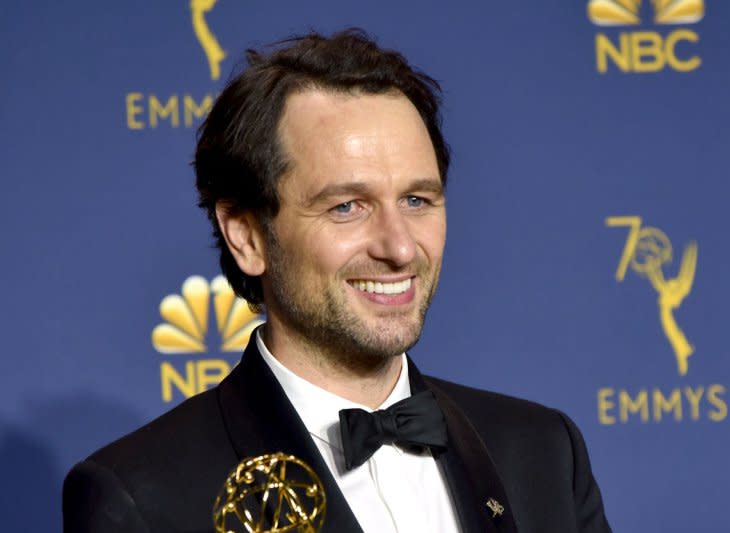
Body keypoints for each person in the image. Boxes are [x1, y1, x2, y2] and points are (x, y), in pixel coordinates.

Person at [63, 29, 612, 533]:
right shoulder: (138, 498)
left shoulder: (543, 452)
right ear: (247, 236)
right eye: (348, 206)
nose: (399, 247)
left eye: (417, 200)